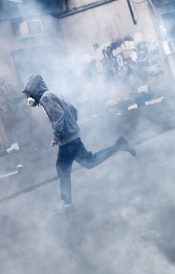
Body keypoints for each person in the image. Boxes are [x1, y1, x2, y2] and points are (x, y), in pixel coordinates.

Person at [23, 73, 136, 214]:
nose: (28, 98)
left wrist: (57, 136)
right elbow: (73, 110)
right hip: (72, 136)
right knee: (90, 162)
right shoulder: (52, 94)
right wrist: (72, 126)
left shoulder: (45, 98)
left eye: (28, 94)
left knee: (62, 169)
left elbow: (59, 116)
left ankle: (67, 205)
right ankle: (119, 145)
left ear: (34, 90)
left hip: (67, 139)